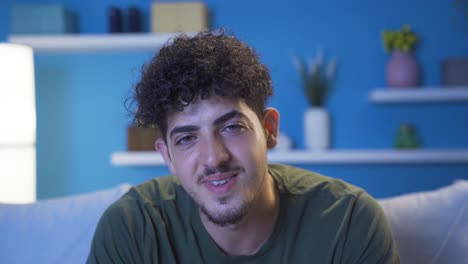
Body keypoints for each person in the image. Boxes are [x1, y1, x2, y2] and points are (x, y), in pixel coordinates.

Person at [87, 31, 399, 263]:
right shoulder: (131, 229)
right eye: (186, 139)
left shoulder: (348, 223)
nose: (214, 157)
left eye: (232, 127)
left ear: (269, 130)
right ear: (167, 155)